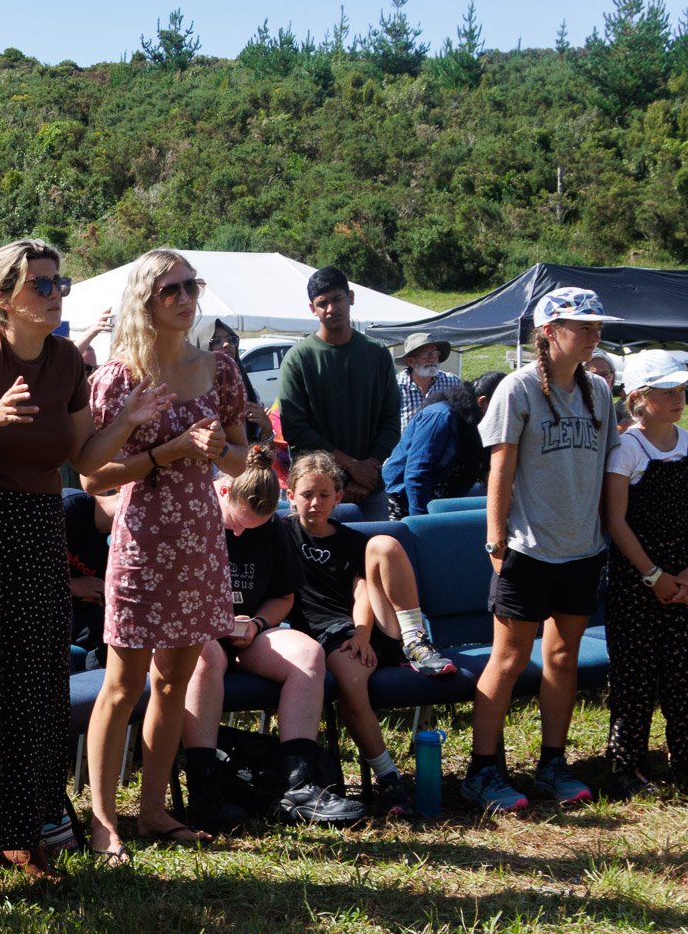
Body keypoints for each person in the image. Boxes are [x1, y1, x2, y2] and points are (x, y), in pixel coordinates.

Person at [0, 239, 160, 900]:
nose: (56, 294)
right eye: (41, 284)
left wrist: (129, 421)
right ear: (3, 297)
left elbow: (86, 460)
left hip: (37, 527)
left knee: (36, 686)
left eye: (60, 283)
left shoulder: (64, 361)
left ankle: (21, 833)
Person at [80, 250, 240, 854]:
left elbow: (240, 460)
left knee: (175, 681)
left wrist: (219, 447)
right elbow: (92, 476)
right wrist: (167, 452)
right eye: (171, 289)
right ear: (145, 300)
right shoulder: (119, 378)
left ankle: (152, 811)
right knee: (122, 685)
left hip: (201, 541)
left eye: (191, 287)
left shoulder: (220, 369)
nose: (185, 298)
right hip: (143, 542)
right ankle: (103, 819)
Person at [464, 287, 620, 813]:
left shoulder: (600, 391)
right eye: (583, 326)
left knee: (562, 657)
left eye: (597, 326)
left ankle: (552, 763)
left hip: (582, 550)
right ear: (549, 331)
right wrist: (495, 538)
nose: (594, 334)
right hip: (527, 549)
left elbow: (605, 468)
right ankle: (482, 770)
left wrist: (605, 532)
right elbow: (500, 469)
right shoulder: (519, 388)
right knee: (509, 659)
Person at [184, 450, 368, 827]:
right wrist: (213, 620)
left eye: (253, 528)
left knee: (308, 653)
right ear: (223, 493)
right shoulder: (192, 518)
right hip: (197, 633)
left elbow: (284, 596)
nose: (241, 534)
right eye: (237, 524)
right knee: (207, 656)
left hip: (247, 631)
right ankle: (204, 789)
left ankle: (299, 784)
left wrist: (256, 623)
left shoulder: (273, 530)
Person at [284, 452, 461, 816]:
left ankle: (415, 642)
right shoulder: (282, 534)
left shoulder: (350, 540)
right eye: (307, 494)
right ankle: (389, 779)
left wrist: (363, 634)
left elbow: (363, 591)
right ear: (291, 496)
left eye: (324, 494)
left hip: (364, 629)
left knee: (384, 543)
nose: (315, 503)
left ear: (338, 497)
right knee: (351, 684)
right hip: (325, 637)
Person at [602, 351, 688, 796]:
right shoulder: (626, 449)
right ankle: (625, 765)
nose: (678, 398)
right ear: (638, 398)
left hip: (684, 581)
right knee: (634, 676)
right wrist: (654, 576)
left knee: (684, 675)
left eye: (681, 390)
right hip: (636, 580)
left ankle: (685, 761)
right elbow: (616, 520)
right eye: (666, 391)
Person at [277, 266, 402, 517]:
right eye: (322, 303)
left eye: (337, 299)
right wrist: (352, 467)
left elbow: (390, 421)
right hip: (316, 493)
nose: (331, 308)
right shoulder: (298, 359)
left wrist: (368, 470)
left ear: (351, 297)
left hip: (369, 490)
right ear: (312, 308)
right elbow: (295, 429)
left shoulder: (377, 354)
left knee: (376, 543)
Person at [381, 374, 503, 517]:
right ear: (482, 403)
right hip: (404, 501)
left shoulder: (477, 427)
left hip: (439, 504)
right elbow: (417, 476)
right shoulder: (440, 416)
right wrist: (422, 522)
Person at [64, 488, 116, 666]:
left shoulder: (120, 546)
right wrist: (71, 585)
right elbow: (14, 569)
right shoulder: (69, 506)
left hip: (85, 617)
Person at [205, 319, 273, 444]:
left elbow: (262, 445)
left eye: (231, 339)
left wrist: (267, 427)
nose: (227, 344)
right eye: (217, 341)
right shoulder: (197, 395)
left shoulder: (250, 394)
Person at [395, 333, 462, 429]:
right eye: (425, 354)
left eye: (435, 354)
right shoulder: (395, 386)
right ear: (410, 361)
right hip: (407, 439)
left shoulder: (452, 382)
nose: (432, 359)